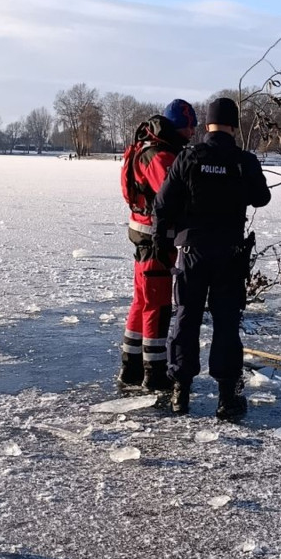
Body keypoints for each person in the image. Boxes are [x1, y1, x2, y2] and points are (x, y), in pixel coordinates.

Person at [153, 97, 271, 419]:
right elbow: (262, 197)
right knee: (226, 323)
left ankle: (181, 393)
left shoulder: (188, 157)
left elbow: (162, 205)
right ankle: (227, 399)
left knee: (186, 319)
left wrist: (161, 245)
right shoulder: (243, 161)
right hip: (229, 256)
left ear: (206, 125)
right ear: (234, 125)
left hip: (191, 253)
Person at [117, 99, 198, 392]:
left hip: (143, 234)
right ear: (181, 126)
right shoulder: (160, 156)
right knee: (157, 305)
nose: (192, 133)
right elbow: (172, 195)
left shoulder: (146, 147)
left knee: (141, 301)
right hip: (155, 239)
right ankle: (154, 372)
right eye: (190, 128)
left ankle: (131, 366)